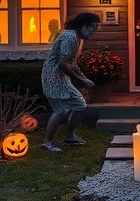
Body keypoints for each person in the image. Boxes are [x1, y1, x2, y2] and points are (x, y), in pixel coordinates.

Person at [40, 11, 100, 152]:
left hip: (60, 75)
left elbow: (71, 62)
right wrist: (80, 80)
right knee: (61, 110)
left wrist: (83, 77)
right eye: (92, 28)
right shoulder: (70, 38)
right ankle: (47, 142)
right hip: (53, 76)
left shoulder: (76, 37)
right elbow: (63, 64)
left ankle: (70, 136)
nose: (93, 32)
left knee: (79, 104)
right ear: (83, 25)